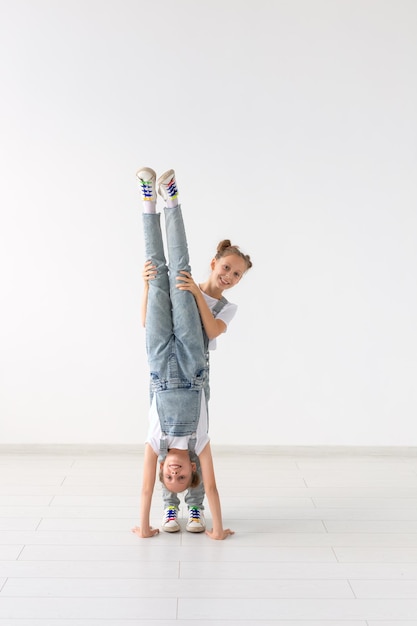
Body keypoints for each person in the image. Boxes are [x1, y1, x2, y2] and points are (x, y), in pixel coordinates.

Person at [131, 167, 251, 540]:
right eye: (181, 476)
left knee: (155, 273)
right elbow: (213, 488)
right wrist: (217, 530)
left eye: (171, 475)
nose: (173, 472)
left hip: (158, 359)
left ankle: (147, 204)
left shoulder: (157, 442)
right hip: (190, 359)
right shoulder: (199, 442)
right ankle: (170, 198)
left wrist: (145, 527)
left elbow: (146, 488)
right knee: (177, 270)